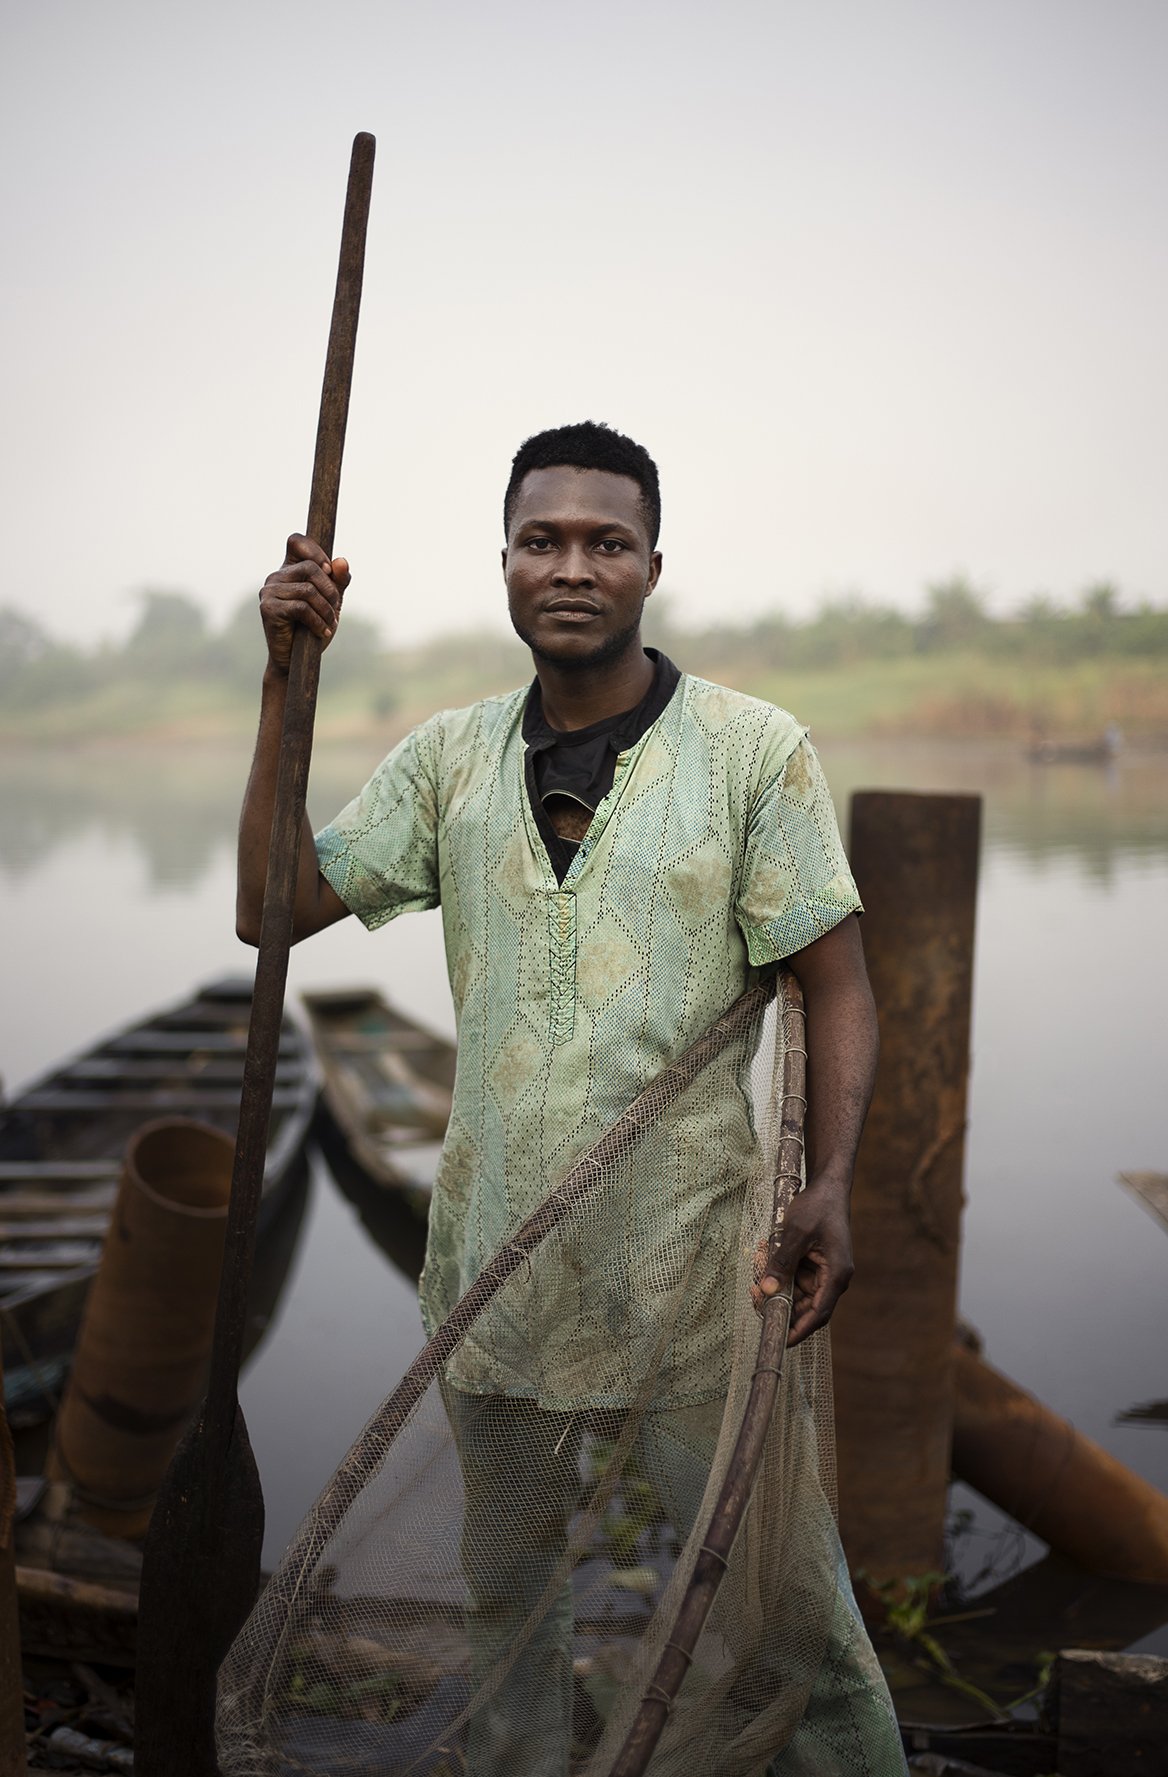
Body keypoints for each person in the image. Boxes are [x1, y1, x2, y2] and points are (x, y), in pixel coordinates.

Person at [236, 421, 906, 1774]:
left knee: (792, 1615)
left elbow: (834, 980)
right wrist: (282, 679)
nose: (572, 567)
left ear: (653, 565)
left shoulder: (749, 752)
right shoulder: (448, 759)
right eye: (542, 540)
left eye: (605, 541)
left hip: (695, 1269)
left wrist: (826, 1183)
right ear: (503, 564)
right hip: (494, 1269)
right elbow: (268, 909)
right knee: (509, 1609)